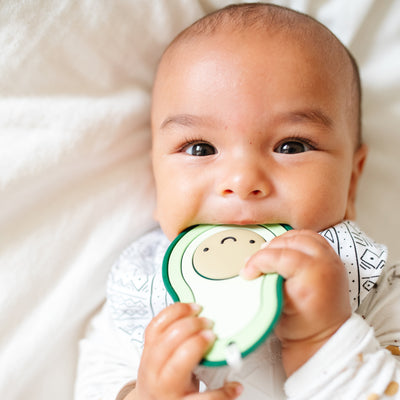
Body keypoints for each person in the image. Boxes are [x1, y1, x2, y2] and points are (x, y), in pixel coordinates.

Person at [74, 3, 400, 399]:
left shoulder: (371, 285)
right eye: (199, 148)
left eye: (291, 145)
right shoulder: (145, 293)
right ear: (157, 183)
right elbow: (94, 383)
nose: (242, 181)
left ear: (350, 182)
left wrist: (326, 340)